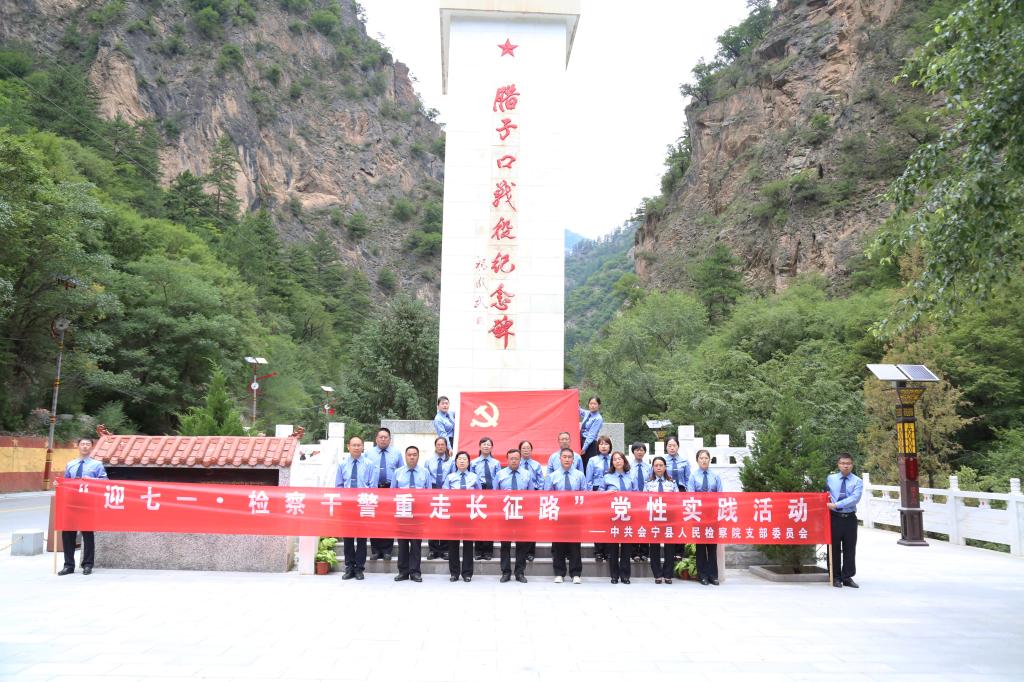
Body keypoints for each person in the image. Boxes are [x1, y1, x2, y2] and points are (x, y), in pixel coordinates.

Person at [58, 437, 108, 576]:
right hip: (71, 503)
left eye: (88, 444)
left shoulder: (97, 465)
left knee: (87, 533)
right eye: (82, 444)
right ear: (78, 446)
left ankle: (87, 564)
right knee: (68, 533)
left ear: (91, 447)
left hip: (88, 503)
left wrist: (93, 480)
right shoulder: (71, 464)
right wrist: (59, 484)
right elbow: (66, 482)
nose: (85, 446)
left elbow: (105, 481)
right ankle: (68, 565)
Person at [335, 436, 379, 580]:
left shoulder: (369, 464)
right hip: (347, 506)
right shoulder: (342, 465)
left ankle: (359, 568)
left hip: (363, 504)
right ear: (348, 447)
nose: (356, 447)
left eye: (359, 445)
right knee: (347, 538)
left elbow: (373, 486)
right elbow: (339, 486)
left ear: (362, 447)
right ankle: (349, 567)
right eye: (353, 445)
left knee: (361, 538)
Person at [545, 448, 587, 584]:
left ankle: (575, 573)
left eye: (569, 457)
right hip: (558, 515)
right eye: (564, 457)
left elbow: (584, 494)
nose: (567, 459)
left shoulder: (580, 475)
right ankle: (559, 573)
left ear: (573, 459)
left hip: (575, 515)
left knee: (575, 545)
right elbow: (547, 495)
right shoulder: (552, 476)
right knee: (558, 545)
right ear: (560, 459)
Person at [391, 445, 430, 582]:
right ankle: (403, 572)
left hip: (418, 513)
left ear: (418, 456)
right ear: (405, 456)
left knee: (416, 544)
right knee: (402, 544)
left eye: (414, 454)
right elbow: (392, 493)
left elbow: (429, 493)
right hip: (402, 512)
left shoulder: (425, 472)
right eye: (409, 455)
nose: (412, 457)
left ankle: (415, 572)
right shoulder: (398, 472)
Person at [494, 449, 532, 583]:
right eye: (511, 458)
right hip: (505, 514)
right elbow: (494, 495)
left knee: (522, 545)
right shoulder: (500, 474)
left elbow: (531, 495)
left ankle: (520, 572)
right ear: (507, 459)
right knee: (505, 545)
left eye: (516, 458)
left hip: (522, 514)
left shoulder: (527, 474)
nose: (514, 461)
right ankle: (505, 572)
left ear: (520, 460)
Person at [827, 453, 863, 589]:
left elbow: (855, 498)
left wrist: (836, 504)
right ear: (838, 464)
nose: (845, 466)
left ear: (852, 465)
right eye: (842, 463)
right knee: (834, 548)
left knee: (850, 548)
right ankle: (835, 577)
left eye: (848, 463)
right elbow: (824, 494)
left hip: (849, 518)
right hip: (834, 518)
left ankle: (847, 577)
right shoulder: (830, 479)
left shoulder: (857, 481)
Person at [687, 449, 723, 586]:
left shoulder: (715, 476)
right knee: (701, 547)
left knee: (712, 547)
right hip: (698, 515)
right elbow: (690, 495)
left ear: (709, 460)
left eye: (706, 458)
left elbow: (720, 495)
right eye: (701, 458)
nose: (704, 460)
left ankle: (713, 576)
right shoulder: (693, 476)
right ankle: (702, 575)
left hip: (713, 515)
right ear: (697, 460)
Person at [442, 451, 479, 582]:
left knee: (468, 544)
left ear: (469, 462)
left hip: (469, 515)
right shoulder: (450, 477)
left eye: (465, 459)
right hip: (454, 515)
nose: (462, 461)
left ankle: (467, 573)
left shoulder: (474, 477)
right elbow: (444, 494)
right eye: (460, 459)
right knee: (453, 544)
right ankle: (454, 573)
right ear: (456, 462)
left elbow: (480, 495)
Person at [602, 451, 636, 584]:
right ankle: (614, 575)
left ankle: (625, 575)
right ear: (612, 462)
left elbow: (637, 493)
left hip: (628, 514)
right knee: (613, 547)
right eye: (615, 459)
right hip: (613, 515)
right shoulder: (607, 477)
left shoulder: (631, 476)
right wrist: (606, 493)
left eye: (620, 458)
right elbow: (598, 493)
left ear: (624, 461)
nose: (617, 461)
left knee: (626, 547)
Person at [367, 427, 402, 560]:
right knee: (374, 519)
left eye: (385, 437)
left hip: (390, 489)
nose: (383, 439)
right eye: (380, 437)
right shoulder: (369, 453)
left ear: (389, 439)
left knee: (388, 519)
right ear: (376, 439)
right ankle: (375, 550)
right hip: (374, 489)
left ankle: (387, 550)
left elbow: (401, 471)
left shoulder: (396, 453)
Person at [645, 456, 680, 584]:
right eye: (656, 465)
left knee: (669, 547)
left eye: (661, 465)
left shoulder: (672, 483)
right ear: (653, 468)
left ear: (665, 467)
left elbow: (677, 499)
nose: (659, 467)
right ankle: (657, 574)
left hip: (669, 518)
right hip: (654, 518)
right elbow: (644, 499)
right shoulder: (648, 483)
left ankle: (668, 574)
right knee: (654, 547)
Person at [470, 437, 501, 561]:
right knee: (478, 520)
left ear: (492, 447)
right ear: (479, 446)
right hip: (478, 491)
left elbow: (498, 479)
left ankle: (488, 551)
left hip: (491, 491)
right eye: (484, 444)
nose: (486, 446)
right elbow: (471, 478)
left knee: (489, 522)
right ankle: (478, 551)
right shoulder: (473, 462)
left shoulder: (496, 463)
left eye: (488, 444)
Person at [585, 435, 614, 562]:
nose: (604, 446)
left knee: (610, 521)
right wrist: (590, 495)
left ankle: (608, 551)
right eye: (601, 444)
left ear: (610, 446)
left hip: (611, 491)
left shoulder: (614, 459)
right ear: (598, 446)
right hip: (597, 492)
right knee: (598, 521)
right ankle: (598, 550)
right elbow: (588, 480)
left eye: (606, 444)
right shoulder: (593, 460)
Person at [425, 436, 454, 560]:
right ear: (435, 446)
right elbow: (426, 477)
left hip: (446, 490)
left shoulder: (451, 461)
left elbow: (453, 476)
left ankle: (445, 549)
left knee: (446, 521)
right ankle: (433, 549)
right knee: (433, 520)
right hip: (432, 490)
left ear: (446, 446)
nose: (440, 447)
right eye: (438, 444)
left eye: (443, 445)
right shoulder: (429, 461)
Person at [664, 435, 691, 562]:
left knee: (680, 522)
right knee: (668, 521)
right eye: (669, 445)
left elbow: (688, 479)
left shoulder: (684, 461)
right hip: (667, 493)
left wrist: (688, 495)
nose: (672, 448)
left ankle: (679, 551)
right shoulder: (663, 461)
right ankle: (669, 550)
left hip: (681, 492)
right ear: (666, 447)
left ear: (678, 447)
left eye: (674, 445)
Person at [518, 440, 542, 561]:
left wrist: (538, 496)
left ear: (531, 450)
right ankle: (520, 551)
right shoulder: (516, 463)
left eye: (528, 448)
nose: (526, 450)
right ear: (520, 450)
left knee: (531, 525)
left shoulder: (536, 465)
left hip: (533, 496)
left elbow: (541, 482)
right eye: (523, 448)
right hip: (519, 497)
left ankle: (530, 552)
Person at [628, 442, 652, 562]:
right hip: (633, 499)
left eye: (642, 450)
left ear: (644, 452)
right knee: (633, 524)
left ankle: (644, 552)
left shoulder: (648, 467)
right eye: (637, 450)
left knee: (645, 524)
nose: (639, 452)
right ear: (633, 452)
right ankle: (634, 552)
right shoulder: (628, 467)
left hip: (646, 499)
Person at [578, 396, 604, 467]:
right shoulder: (587, 413)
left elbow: (591, 435)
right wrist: (576, 401)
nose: (592, 406)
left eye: (594, 404)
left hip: (590, 444)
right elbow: (579, 410)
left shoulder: (598, 418)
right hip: (581, 441)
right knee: (581, 464)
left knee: (588, 465)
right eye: (591, 403)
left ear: (599, 405)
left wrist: (584, 448)